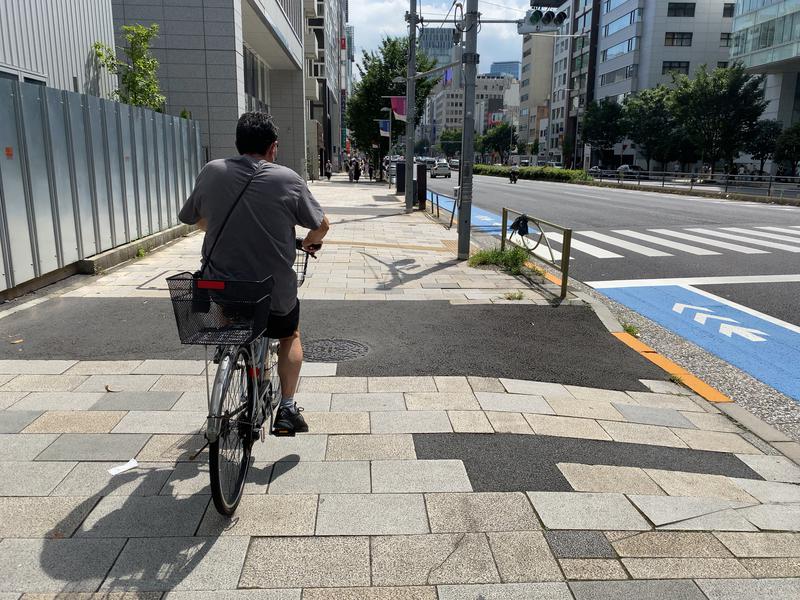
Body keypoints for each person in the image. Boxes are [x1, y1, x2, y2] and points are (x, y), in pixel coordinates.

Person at [178, 112, 330, 434]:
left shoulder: (212, 171)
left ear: (237, 144)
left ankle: (229, 347)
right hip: (271, 293)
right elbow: (321, 226)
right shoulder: (288, 179)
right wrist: (308, 244)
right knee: (290, 334)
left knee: (227, 305)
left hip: (219, 289)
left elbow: (193, 219)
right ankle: (287, 408)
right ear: (273, 148)